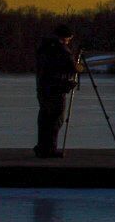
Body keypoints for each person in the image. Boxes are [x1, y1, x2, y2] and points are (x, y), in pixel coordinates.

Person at [33, 23, 83, 158]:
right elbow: (70, 67)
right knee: (55, 119)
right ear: (64, 37)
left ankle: (42, 147)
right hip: (56, 88)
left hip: (43, 87)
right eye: (69, 39)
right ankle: (49, 149)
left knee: (45, 118)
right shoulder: (61, 50)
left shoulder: (44, 47)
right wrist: (78, 67)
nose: (69, 41)